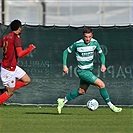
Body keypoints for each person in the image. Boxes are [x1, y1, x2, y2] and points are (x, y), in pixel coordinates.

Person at [57, 27, 122, 114]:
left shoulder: (95, 43)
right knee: (101, 85)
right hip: (82, 72)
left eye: (89, 37)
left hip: (89, 71)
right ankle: (111, 106)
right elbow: (65, 52)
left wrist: (103, 64)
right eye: (86, 37)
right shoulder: (78, 44)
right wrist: (65, 66)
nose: (87, 39)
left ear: (92, 36)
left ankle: (63, 101)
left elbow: (101, 54)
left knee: (81, 91)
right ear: (83, 36)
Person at [0, 19, 36, 104]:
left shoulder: (6, 37)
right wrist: (29, 49)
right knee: (10, 93)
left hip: (12, 67)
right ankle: (8, 90)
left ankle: (7, 88)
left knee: (26, 80)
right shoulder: (16, 37)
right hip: (8, 69)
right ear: (19, 28)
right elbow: (20, 54)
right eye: (21, 27)